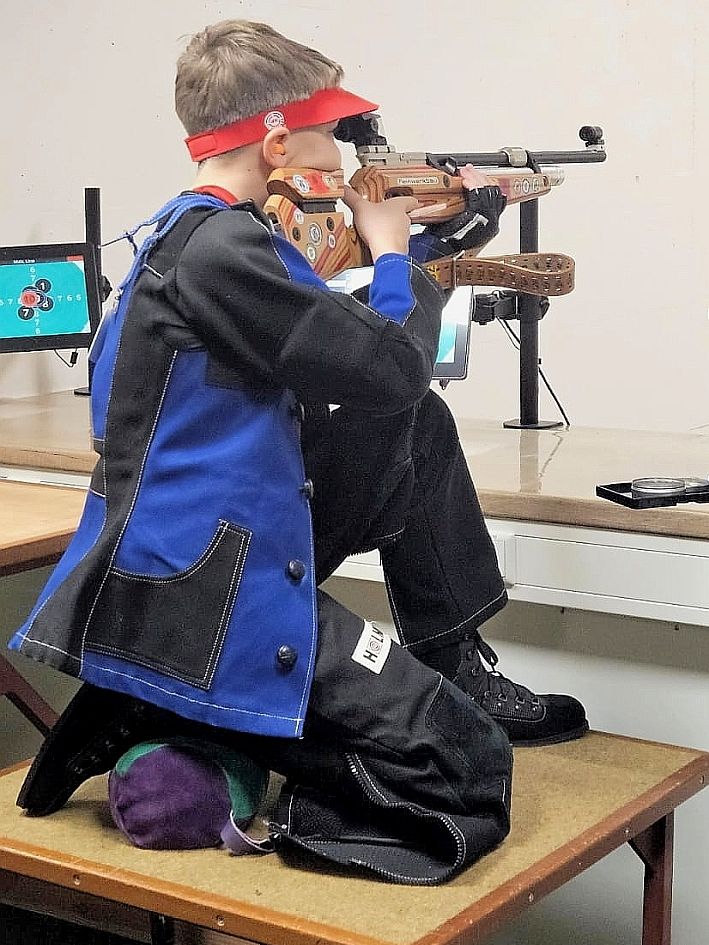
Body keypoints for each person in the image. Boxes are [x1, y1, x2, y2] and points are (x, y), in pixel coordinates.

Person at [8, 20, 586, 881]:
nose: (343, 149)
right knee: (465, 764)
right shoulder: (225, 250)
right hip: (208, 586)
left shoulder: (202, 233)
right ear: (277, 144)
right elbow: (388, 365)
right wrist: (393, 254)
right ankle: (210, 722)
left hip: (214, 541)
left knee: (417, 423)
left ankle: (450, 659)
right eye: (329, 131)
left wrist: (425, 246)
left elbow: (345, 344)